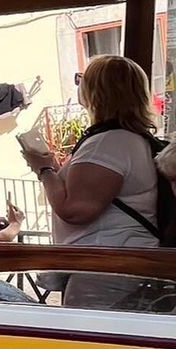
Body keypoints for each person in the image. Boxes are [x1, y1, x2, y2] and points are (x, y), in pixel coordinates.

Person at [21, 54, 159, 309]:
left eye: (82, 79)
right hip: (120, 264)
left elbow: (75, 210)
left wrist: (44, 169)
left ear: (97, 91)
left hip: (105, 269)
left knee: (87, 343)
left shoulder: (108, 142)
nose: (79, 84)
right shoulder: (130, 139)